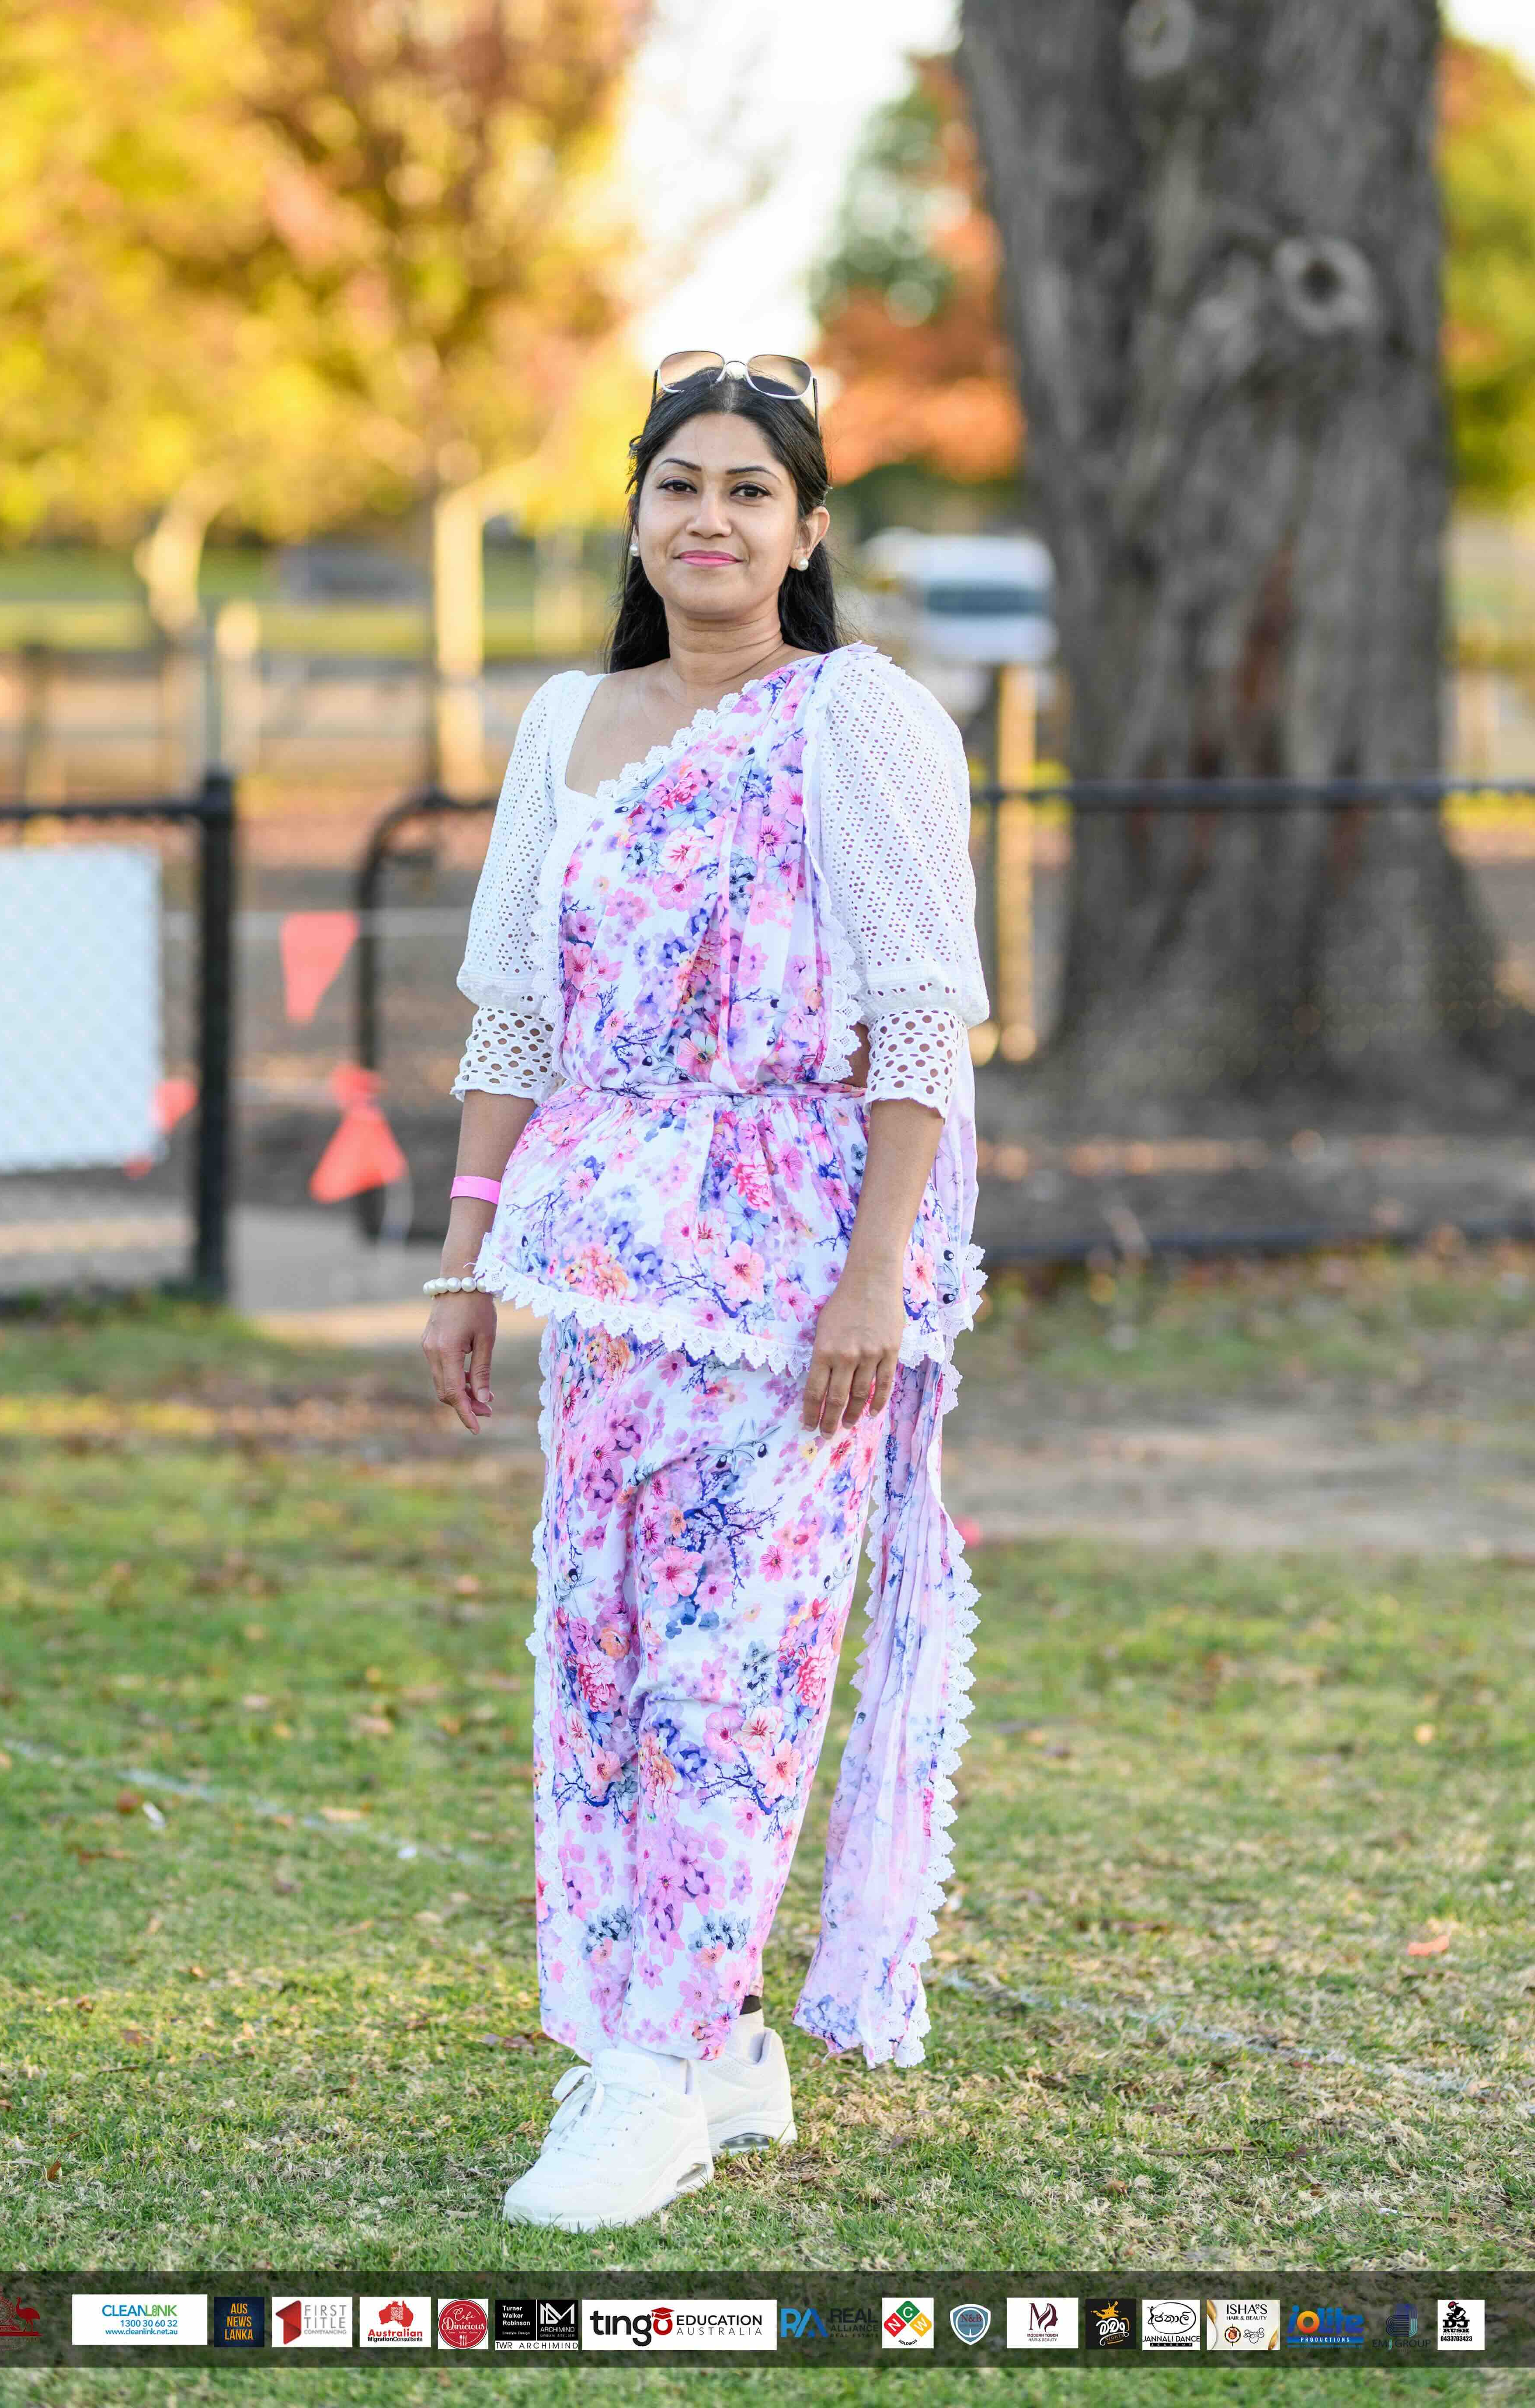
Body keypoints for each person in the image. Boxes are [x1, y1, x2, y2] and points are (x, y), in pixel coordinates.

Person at [422, 351, 988, 2232]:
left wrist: (875, 1281)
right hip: (602, 1272)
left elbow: (918, 1023)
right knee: (600, 1650)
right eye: (682, 485)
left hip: (792, 1279)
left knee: (727, 1677)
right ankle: (695, 2037)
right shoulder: (564, 723)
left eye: (752, 491)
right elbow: (517, 1011)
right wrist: (465, 1254)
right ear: (637, 516)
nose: (712, 519)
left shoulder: (857, 720)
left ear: (808, 531)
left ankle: (657, 2073)